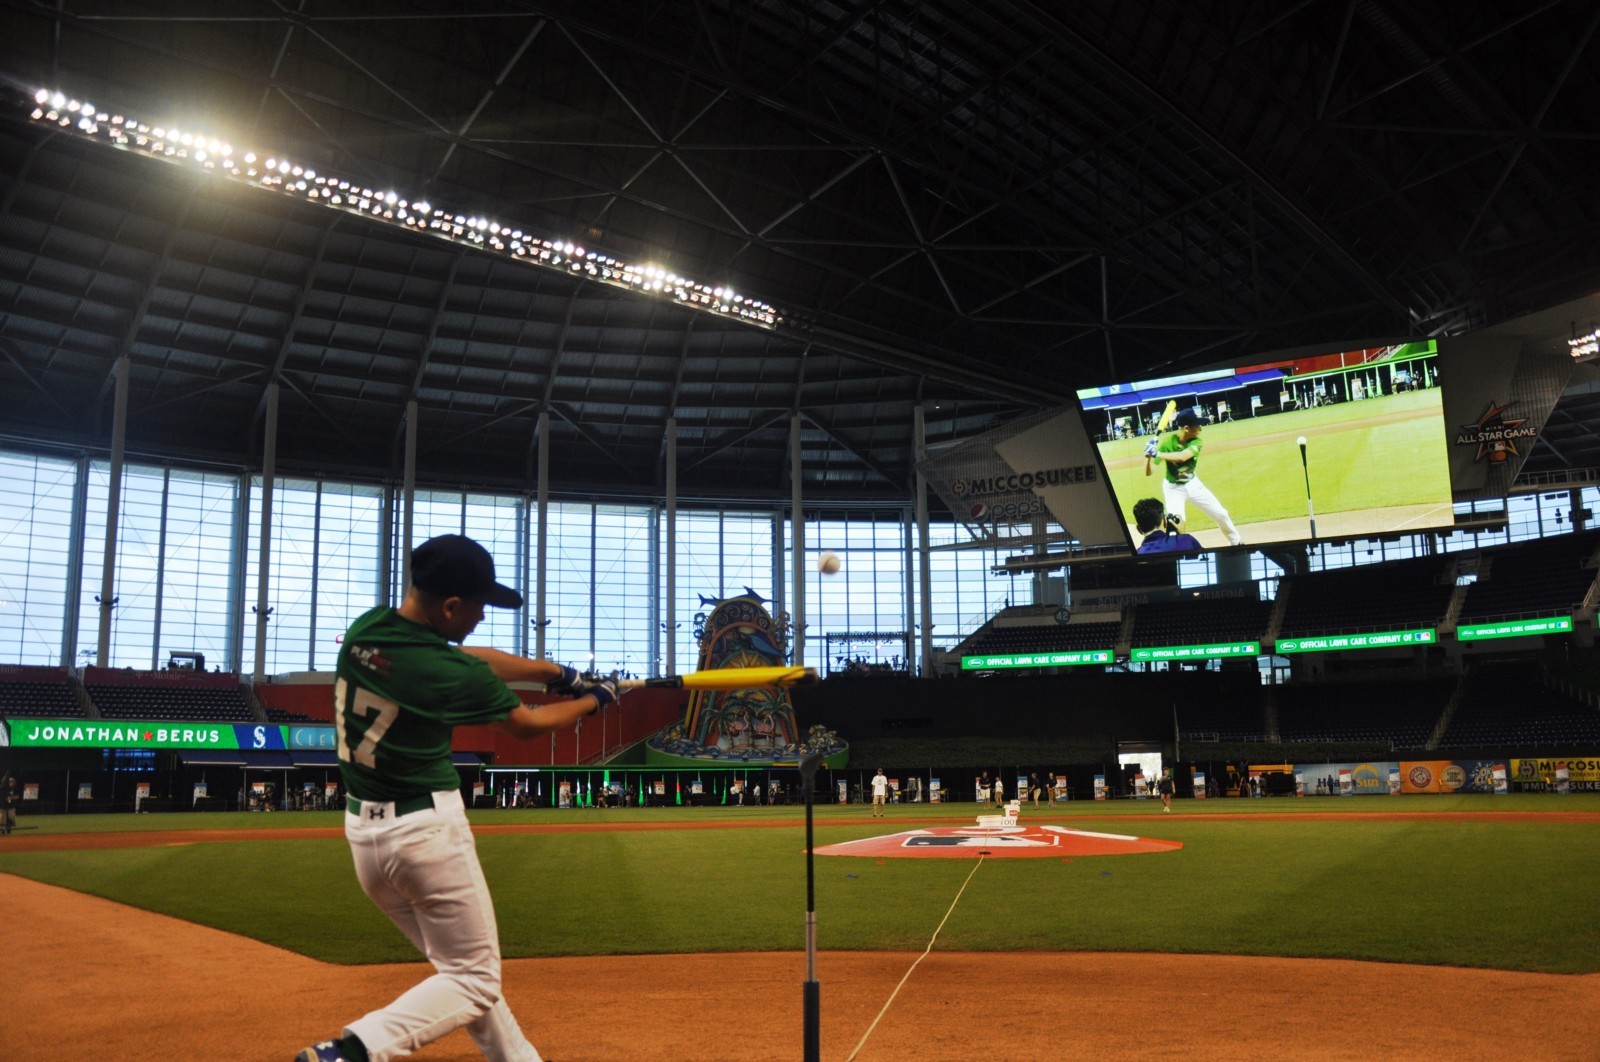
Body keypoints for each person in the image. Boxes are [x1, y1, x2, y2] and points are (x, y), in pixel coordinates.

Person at [297, 534, 617, 1062]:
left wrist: (556, 673)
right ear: (449, 605)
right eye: (476, 607)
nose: (480, 617)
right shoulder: (450, 675)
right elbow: (528, 725)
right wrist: (592, 701)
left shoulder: (368, 629)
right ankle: (353, 1051)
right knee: (475, 981)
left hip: (365, 840)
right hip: (426, 840)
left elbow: (471, 657)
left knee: (460, 974)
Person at [1144, 410, 1242, 546]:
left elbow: (1182, 456)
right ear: (1186, 428)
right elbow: (1149, 472)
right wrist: (1148, 456)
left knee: (1221, 514)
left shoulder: (1197, 442)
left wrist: (1157, 453)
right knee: (1174, 525)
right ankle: (1178, 553)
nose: (1200, 428)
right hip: (1173, 489)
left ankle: (1237, 543)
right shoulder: (1167, 443)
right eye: (1197, 425)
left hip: (1193, 485)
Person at [1131, 497, 1203, 554]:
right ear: (1165, 521)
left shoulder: (1137, 554)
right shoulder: (1186, 540)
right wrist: (1182, 536)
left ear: (1139, 529)